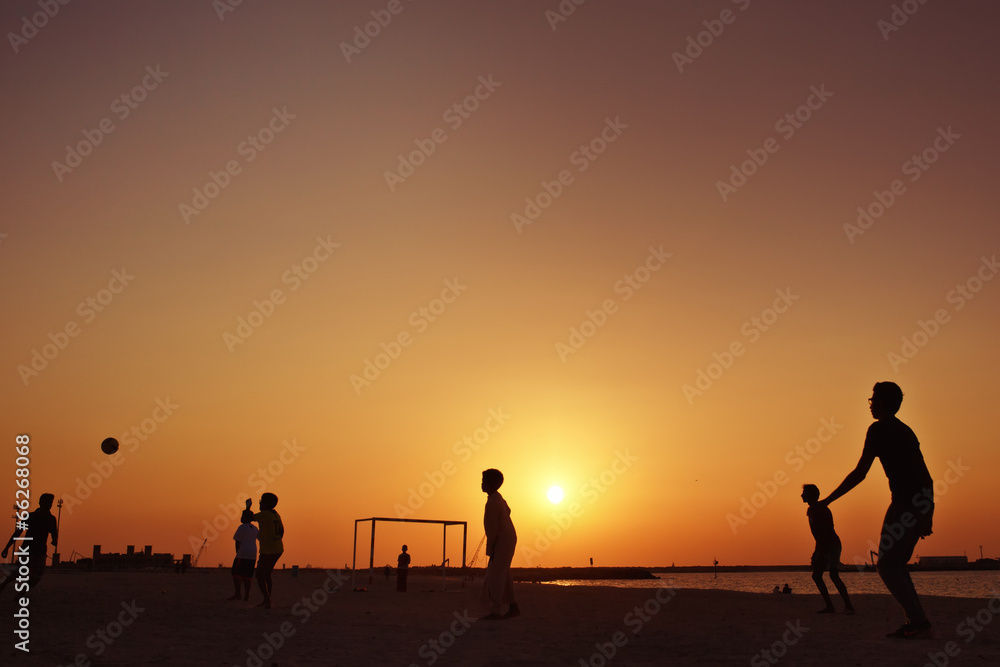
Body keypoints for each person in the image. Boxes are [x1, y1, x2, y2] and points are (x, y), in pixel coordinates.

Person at [821, 382, 934, 638]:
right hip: (920, 504)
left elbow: (860, 473)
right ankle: (918, 621)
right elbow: (927, 477)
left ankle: (918, 622)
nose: (870, 404)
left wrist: (828, 500)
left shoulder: (878, 429)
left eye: (873, 399)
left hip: (904, 505)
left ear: (882, 402)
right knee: (897, 564)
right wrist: (929, 512)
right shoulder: (906, 430)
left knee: (886, 566)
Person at [801, 484, 854, 614]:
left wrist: (820, 552)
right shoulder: (812, 510)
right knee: (817, 576)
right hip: (824, 544)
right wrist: (816, 552)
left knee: (833, 575)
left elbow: (825, 533)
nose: (802, 495)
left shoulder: (821, 510)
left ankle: (848, 607)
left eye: (804, 493)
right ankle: (830, 606)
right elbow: (818, 536)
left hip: (832, 544)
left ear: (811, 495)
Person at [479, 468, 520, 619]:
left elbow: (492, 529)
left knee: (496, 574)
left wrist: (491, 549)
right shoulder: (498, 498)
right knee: (504, 573)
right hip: (508, 538)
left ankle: (495, 611)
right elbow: (508, 511)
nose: (482, 484)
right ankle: (513, 606)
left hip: (502, 540)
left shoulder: (493, 501)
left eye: (484, 481)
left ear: (492, 483)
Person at [0, 493, 58, 592]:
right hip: (26, 550)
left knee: (36, 577)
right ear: (40, 503)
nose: (49, 504)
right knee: (17, 573)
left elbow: (54, 532)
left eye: (50, 502)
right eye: (47, 502)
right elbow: (18, 532)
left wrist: (54, 540)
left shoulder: (51, 519)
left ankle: (21, 593)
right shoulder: (30, 516)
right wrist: (6, 548)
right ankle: (3, 584)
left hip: (40, 552)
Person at [250, 493, 284, 609]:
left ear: (265, 503)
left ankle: (267, 599)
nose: (259, 503)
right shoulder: (275, 515)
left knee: (259, 575)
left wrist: (247, 508)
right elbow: (282, 531)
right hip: (278, 548)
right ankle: (267, 599)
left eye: (261, 501)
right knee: (267, 574)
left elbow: (245, 519)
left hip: (268, 550)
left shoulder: (264, 515)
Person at [229, 508, 258, 601]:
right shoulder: (255, 528)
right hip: (253, 553)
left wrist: (237, 552)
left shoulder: (242, 527)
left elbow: (237, 541)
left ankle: (238, 594)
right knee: (248, 575)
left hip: (243, 553)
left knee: (236, 573)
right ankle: (246, 595)